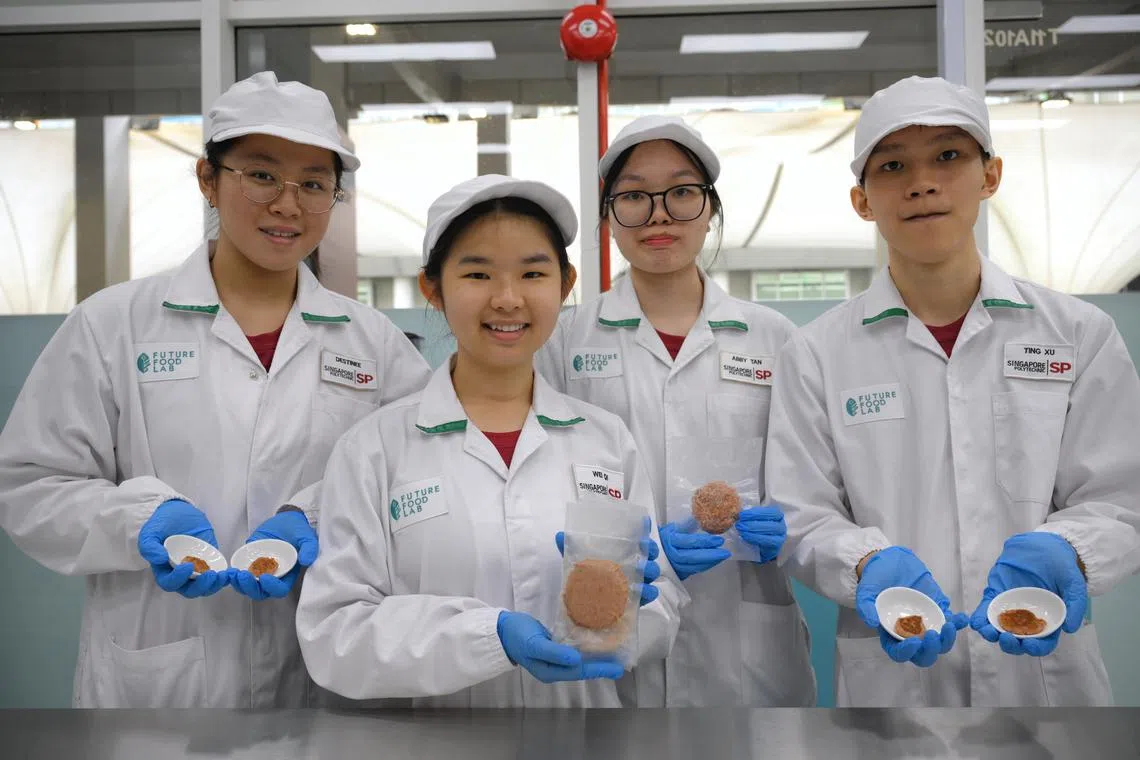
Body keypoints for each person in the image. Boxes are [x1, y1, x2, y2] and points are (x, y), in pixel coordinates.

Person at [0, 71, 431, 708]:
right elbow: (31, 485)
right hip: (160, 682)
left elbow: (419, 478)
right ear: (208, 179)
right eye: (261, 175)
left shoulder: (374, 344)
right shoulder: (114, 324)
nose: (287, 205)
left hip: (320, 675)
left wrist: (316, 517)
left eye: (314, 185)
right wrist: (139, 519)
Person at [765, 75, 1140, 706]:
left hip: (1046, 680)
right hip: (894, 681)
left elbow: (1121, 494)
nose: (922, 183)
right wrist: (864, 563)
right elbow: (800, 513)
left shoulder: (1077, 334)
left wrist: (1068, 548)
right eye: (892, 166)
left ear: (990, 175)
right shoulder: (818, 354)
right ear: (862, 200)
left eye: (947, 156)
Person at [296, 175, 688, 706]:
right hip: (436, 738)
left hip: (580, 734)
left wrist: (635, 611)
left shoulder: (606, 441)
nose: (507, 299)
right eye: (478, 274)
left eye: (533, 273)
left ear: (565, 285)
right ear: (433, 289)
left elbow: (662, 604)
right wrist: (488, 637)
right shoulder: (374, 449)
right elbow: (336, 634)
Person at [536, 116, 815, 707]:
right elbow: (542, 489)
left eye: (682, 192)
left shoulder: (774, 338)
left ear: (709, 209)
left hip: (744, 630)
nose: (659, 215)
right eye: (634, 196)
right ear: (609, 218)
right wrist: (634, 553)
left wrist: (787, 524)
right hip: (617, 617)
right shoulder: (563, 342)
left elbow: (811, 481)